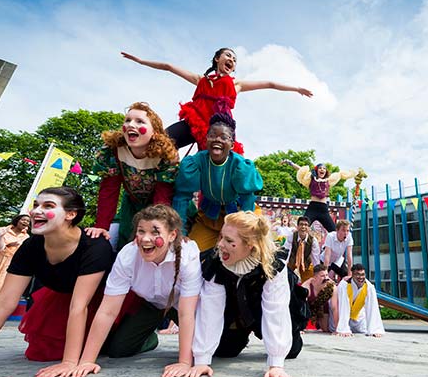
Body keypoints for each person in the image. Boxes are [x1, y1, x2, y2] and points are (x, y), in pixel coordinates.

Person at [0, 187, 115, 377]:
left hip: (106, 305)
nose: (36, 211)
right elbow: (3, 303)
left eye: (48, 206)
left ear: (71, 214)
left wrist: (69, 363)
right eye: (36, 205)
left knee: (116, 348)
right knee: (44, 351)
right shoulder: (31, 246)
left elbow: (79, 306)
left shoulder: (94, 245)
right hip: (62, 302)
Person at [70, 205, 202, 377]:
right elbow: (107, 311)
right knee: (118, 350)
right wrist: (87, 361)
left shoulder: (188, 254)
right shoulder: (128, 255)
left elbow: (186, 314)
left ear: (172, 235)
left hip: (182, 306)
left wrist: (184, 363)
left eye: (155, 232)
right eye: (141, 231)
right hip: (150, 305)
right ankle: (149, 338)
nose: (146, 239)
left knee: (216, 351)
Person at [186, 211, 303, 377]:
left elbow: (276, 311)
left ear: (251, 246)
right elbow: (210, 311)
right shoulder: (215, 262)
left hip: (261, 309)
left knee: (292, 350)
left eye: (229, 241)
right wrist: (202, 360)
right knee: (226, 350)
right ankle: (239, 332)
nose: (220, 245)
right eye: (221, 237)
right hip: (235, 311)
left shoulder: (273, 266)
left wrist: (276, 364)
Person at [121, 49, 313, 153]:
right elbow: (168, 66)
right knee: (161, 142)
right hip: (194, 123)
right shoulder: (201, 80)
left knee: (220, 167)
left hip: (217, 131)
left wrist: (296, 89)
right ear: (217, 58)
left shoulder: (236, 84)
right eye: (228, 55)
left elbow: (270, 83)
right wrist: (140, 61)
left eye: (235, 59)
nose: (232, 60)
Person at [89, 102, 179, 250]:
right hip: (132, 204)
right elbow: (109, 190)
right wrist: (101, 226)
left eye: (140, 121)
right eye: (127, 120)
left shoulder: (165, 156)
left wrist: (157, 227)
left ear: (155, 132)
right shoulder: (113, 151)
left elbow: (163, 195)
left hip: (166, 204)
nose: (131, 125)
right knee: (127, 240)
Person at [172, 113, 263, 251]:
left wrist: (241, 232)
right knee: (191, 251)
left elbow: (247, 201)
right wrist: (180, 233)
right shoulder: (195, 162)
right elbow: (182, 197)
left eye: (223, 137)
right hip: (209, 218)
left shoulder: (240, 165)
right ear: (206, 139)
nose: (217, 140)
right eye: (212, 135)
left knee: (249, 251)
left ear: (232, 145)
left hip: (239, 214)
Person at [282, 160, 354, 232]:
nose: (322, 169)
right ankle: (297, 242)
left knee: (334, 231)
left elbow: (341, 175)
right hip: (313, 208)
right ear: (316, 170)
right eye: (320, 168)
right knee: (302, 226)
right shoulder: (311, 179)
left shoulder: (328, 180)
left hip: (323, 209)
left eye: (324, 168)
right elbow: (301, 169)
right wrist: (290, 163)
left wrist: (355, 173)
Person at [334, 264, 384, 337]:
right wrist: (343, 329)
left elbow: (372, 308)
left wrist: (374, 330)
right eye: (357, 274)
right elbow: (343, 307)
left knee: (364, 330)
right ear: (352, 275)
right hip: (340, 316)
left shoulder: (369, 287)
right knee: (336, 329)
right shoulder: (344, 285)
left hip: (357, 318)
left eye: (363, 274)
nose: (360, 277)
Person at [300, 264, 337, 332]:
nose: (326, 278)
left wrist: (338, 329)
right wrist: (299, 328)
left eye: (326, 275)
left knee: (325, 330)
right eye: (322, 276)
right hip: (309, 308)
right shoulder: (306, 286)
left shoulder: (331, 286)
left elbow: (334, 308)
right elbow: (300, 307)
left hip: (322, 308)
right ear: (315, 277)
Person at [287, 216, 321, 281]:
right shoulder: (291, 236)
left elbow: (315, 259)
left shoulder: (313, 241)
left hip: (306, 263)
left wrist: (317, 273)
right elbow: (286, 253)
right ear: (297, 226)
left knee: (310, 281)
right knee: (287, 278)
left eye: (306, 225)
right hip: (292, 262)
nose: (303, 227)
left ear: (309, 228)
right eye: (301, 224)